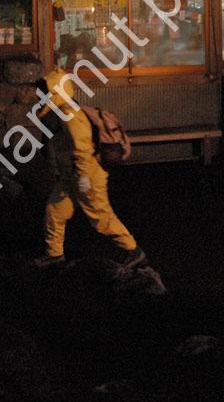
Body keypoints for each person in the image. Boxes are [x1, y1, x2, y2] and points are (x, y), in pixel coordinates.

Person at [34, 68, 146, 268]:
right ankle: (54, 254)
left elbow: (82, 148)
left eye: (45, 91)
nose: (41, 95)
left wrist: (84, 177)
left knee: (101, 218)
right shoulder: (62, 111)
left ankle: (133, 250)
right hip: (73, 175)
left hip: (87, 176)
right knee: (54, 212)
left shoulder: (69, 114)